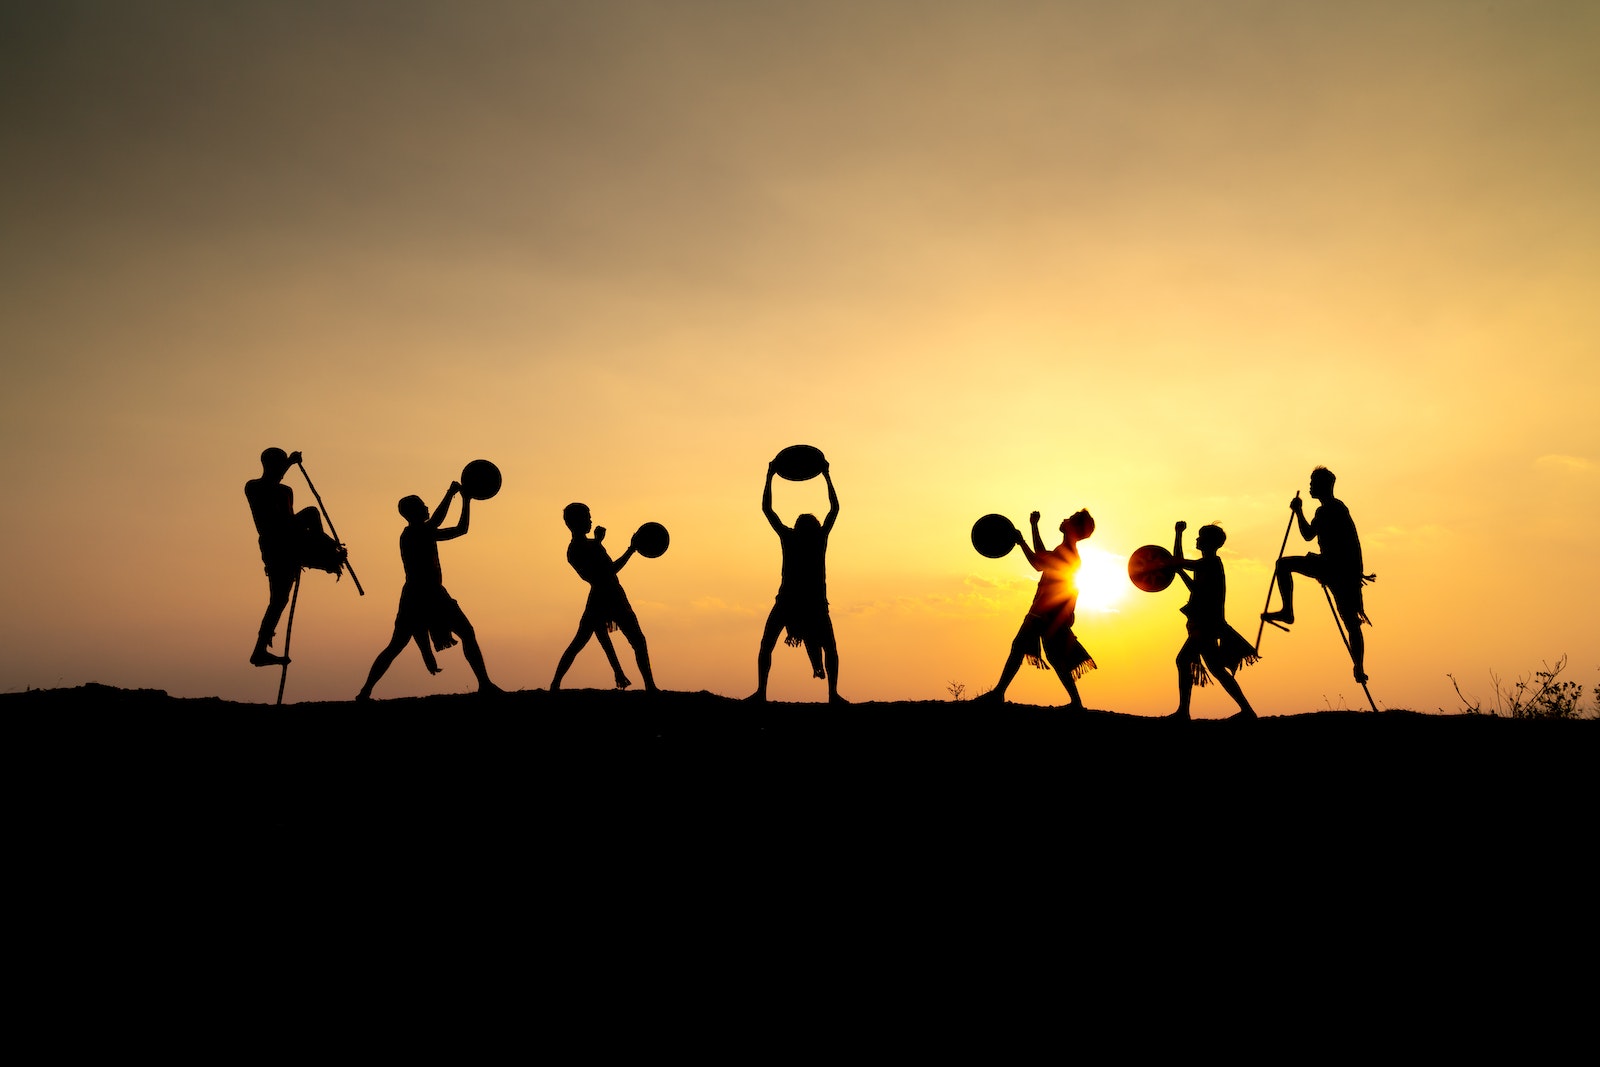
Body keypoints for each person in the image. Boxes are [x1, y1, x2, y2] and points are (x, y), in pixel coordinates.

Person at [357, 481, 500, 699]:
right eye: (423, 505)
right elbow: (437, 521)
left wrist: (466, 501)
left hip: (430, 594)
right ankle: (365, 691)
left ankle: (485, 684)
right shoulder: (414, 534)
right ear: (413, 512)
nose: (427, 507)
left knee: (465, 633)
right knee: (396, 646)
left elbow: (461, 529)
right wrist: (451, 494)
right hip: (420, 595)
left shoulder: (424, 533)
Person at [1261, 466, 1372, 683]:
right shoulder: (1336, 508)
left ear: (1323, 485)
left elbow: (1307, 535)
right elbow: (1316, 536)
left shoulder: (1328, 510)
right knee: (1351, 623)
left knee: (1282, 565)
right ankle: (1358, 666)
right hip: (1343, 570)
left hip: (1334, 568)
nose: (1310, 485)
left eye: (1313, 482)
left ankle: (1287, 611)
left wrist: (1298, 512)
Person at [979, 510, 1096, 709]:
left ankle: (998, 693)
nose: (1064, 518)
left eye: (1070, 518)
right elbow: (1043, 557)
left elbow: (1038, 563)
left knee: (1019, 647)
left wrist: (1025, 538)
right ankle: (1076, 702)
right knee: (1054, 657)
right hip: (1050, 613)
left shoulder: (1067, 553)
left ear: (1073, 528)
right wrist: (1029, 532)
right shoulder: (1065, 550)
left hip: (1044, 612)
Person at [751, 461, 843, 703]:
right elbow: (835, 509)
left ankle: (762, 692)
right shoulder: (817, 538)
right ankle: (832, 694)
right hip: (804, 603)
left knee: (767, 645)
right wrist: (826, 475)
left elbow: (767, 509)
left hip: (793, 603)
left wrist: (770, 475)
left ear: (798, 527)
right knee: (829, 649)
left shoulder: (791, 538)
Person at [244, 447, 344, 666]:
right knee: (278, 599)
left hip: (291, 544)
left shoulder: (286, 491)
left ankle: (259, 651)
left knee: (280, 599)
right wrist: (289, 462)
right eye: (278, 466)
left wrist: (329, 544)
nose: (281, 471)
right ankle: (260, 652)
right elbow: (272, 503)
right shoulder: (253, 487)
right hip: (274, 545)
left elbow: (294, 526)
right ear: (268, 466)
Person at [550, 503, 657, 692]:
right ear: (575, 522)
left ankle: (649, 685)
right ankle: (555, 684)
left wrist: (598, 543)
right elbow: (606, 572)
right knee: (583, 642)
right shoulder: (576, 549)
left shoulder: (588, 546)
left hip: (611, 596)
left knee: (635, 641)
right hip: (606, 598)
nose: (590, 520)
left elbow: (605, 570)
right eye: (587, 517)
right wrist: (631, 549)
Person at [1170, 521, 1258, 721]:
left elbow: (1177, 561)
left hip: (1206, 625)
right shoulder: (1208, 565)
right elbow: (1196, 588)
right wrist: (1181, 571)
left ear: (1209, 543)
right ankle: (1247, 711)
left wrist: (1178, 534)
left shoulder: (1209, 563)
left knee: (1184, 660)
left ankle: (1183, 712)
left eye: (1200, 537)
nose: (1197, 539)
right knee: (1216, 669)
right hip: (1207, 624)